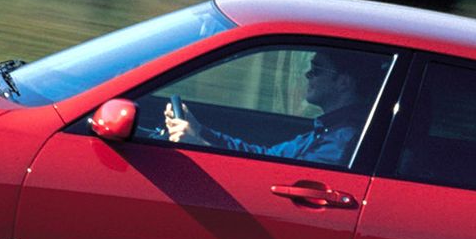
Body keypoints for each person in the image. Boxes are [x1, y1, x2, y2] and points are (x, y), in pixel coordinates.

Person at [164, 50, 382, 165]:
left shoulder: (344, 140)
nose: (308, 75)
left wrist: (199, 145)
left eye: (317, 70)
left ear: (343, 82)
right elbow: (265, 156)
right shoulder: (326, 130)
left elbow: (284, 181)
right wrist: (200, 131)